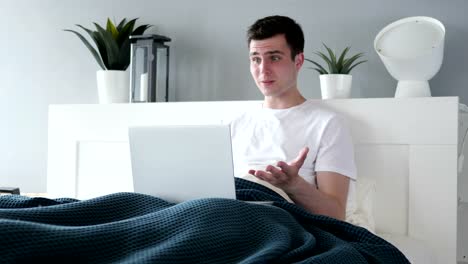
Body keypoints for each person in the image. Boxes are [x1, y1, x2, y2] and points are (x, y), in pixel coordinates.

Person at [230, 15, 357, 221]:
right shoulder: (233, 124)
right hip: (226, 214)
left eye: (275, 57)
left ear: (298, 61)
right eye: (256, 59)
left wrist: (294, 185)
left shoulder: (328, 123)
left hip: (279, 220)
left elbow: (336, 215)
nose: (263, 70)